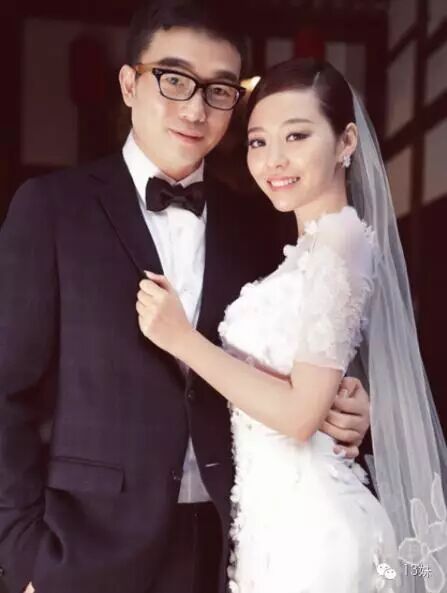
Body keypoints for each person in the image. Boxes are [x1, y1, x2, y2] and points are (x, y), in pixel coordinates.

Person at [0, 3, 372, 593]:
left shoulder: (262, 221)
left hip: (231, 544)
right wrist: (21, 555)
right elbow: (6, 392)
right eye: (174, 80)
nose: (196, 110)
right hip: (84, 549)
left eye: (219, 90)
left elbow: (300, 360)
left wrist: (350, 405)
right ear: (130, 84)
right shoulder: (50, 208)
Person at [136, 58, 447, 593]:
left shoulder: (340, 245)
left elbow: (301, 415)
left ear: (346, 141)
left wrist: (183, 340)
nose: (273, 159)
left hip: (316, 537)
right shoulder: (305, 250)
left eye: (297, 136)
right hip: (276, 527)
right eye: (258, 141)